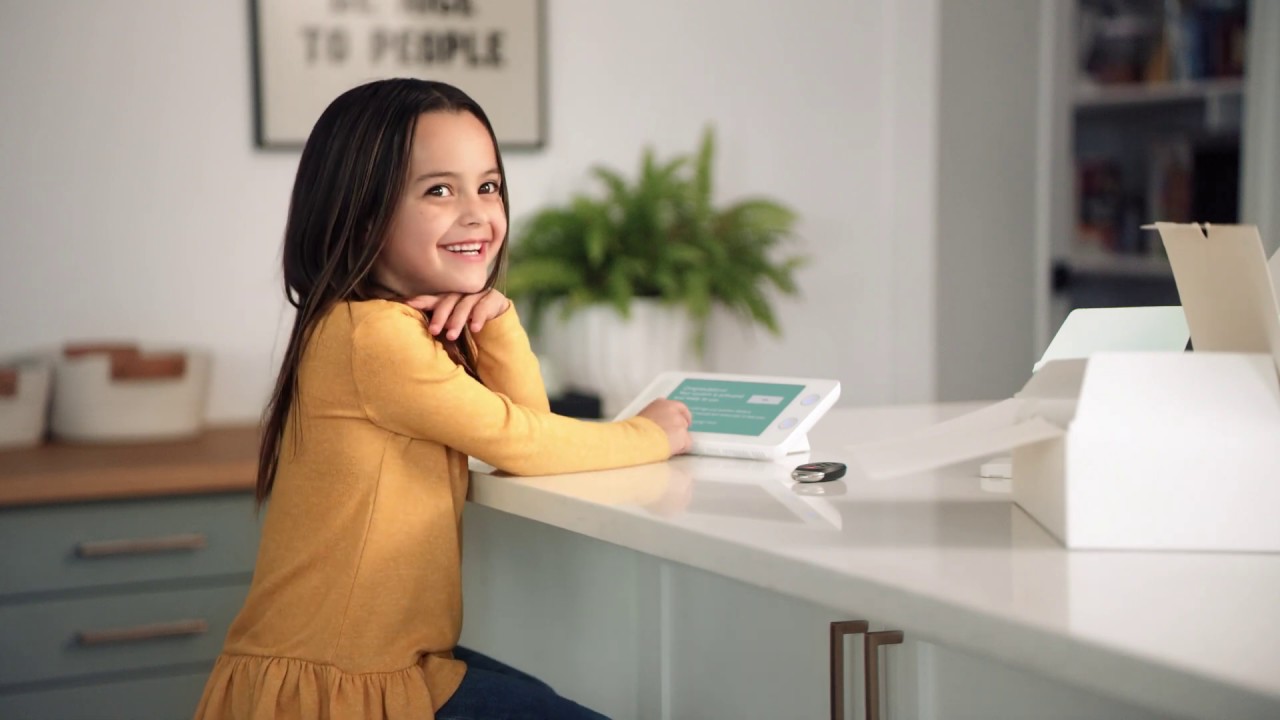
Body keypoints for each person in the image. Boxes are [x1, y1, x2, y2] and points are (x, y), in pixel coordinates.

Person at [193, 78, 693, 720]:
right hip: (342, 688)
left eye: (488, 186)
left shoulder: (374, 326)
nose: (478, 214)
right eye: (438, 190)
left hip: (382, 665)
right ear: (360, 210)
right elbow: (527, 444)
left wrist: (497, 321)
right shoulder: (373, 338)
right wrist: (653, 434)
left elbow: (526, 431)